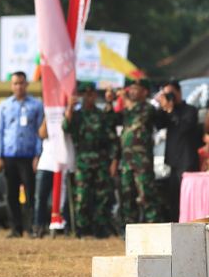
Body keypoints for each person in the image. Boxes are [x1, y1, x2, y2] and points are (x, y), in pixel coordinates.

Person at [63, 82, 119, 238]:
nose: (88, 97)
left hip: (101, 161)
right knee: (82, 196)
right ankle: (82, 229)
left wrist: (114, 161)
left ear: (94, 95)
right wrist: (69, 108)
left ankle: (100, 229)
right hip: (82, 162)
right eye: (84, 94)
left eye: (90, 94)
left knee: (102, 197)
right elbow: (66, 127)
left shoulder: (101, 116)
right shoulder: (77, 115)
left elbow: (112, 140)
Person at [106, 79, 161, 227]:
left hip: (142, 162)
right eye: (131, 89)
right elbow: (111, 121)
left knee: (146, 195)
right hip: (126, 162)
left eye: (136, 89)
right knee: (127, 197)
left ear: (144, 92)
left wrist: (124, 98)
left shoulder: (148, 108)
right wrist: (110, 102)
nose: (132, 91)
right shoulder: (127, 111)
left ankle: (152, 228)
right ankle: (130, 229)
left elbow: (139, 115)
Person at [0, 71, 43, 238]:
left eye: (21, 83)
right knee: (11, 194)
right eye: (15, 83)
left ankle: (29, 227)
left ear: (26, 84)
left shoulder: (36, 106)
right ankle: (15, 228)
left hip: (28, 155)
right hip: (9, 155)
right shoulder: (5, 105)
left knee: (30, 193)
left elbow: (40, 133)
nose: (18, 86)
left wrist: (38, 155)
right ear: (11, 85)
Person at [156, 80, 199, 222]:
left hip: (187, 161)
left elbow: (184, 128)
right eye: (167, 94)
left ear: (179, 92)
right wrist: (161, 106)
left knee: (186, 197)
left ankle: (189, 222)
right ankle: (175, 224)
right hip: (172, 162)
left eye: (171, 93)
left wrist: (171, 110)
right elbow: (158, 124)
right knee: (173, 198)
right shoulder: (168, 110)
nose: (170, 97)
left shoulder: (190, 110)